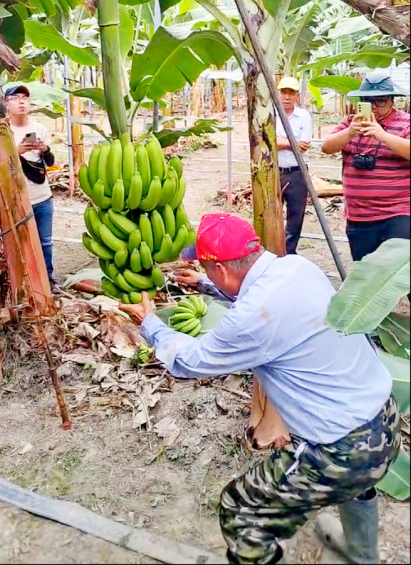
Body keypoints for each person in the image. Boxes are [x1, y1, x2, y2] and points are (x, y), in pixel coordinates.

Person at [119, 213, 400, 565]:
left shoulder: (250, 319)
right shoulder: (298, 267)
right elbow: (266, 304)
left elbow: (191, 361)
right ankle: (364, 558)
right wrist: (208, 287)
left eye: (208, 270)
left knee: (241, 511)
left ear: (220, 268)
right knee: (359, 487)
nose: (208, 275)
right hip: (384, 423)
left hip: (341, 451)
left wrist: (150, 325)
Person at [321, 72, 410, 261]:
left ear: (392, 101)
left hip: (398, 213)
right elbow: (327, 147)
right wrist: (350, 131)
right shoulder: (351, 123)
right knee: (365, 274)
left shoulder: (406, 123)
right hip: (358, 216)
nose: (375, 107)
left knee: (394, 273)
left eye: (381, 101)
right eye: (369, 101)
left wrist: (381, 135)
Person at [5, 84, 58, 291]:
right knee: (20, 244)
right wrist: (15, 151)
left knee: (45, 242)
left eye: (25, 98)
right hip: (17, 198)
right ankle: (24, 283)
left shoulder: (39, 129)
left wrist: (44, 149)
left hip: (42, 196)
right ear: (6, 103)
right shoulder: (3, 132)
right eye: (16, 97)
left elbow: (51, 162)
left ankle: (48, 280)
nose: (21, 102)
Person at [275, 77, 312, 254]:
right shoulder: (270, 114)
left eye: (291, 93)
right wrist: (293, 143)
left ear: (297, 96)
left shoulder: (303, 116)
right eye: (283, 92)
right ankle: (272, 250)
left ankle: (288, 252)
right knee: (271, 214)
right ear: (278, 93)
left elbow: (304, 145)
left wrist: (280, 141)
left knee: (295, 216)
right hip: (273, 172)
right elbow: (266, 142)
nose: (286, 97)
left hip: (296, 173)